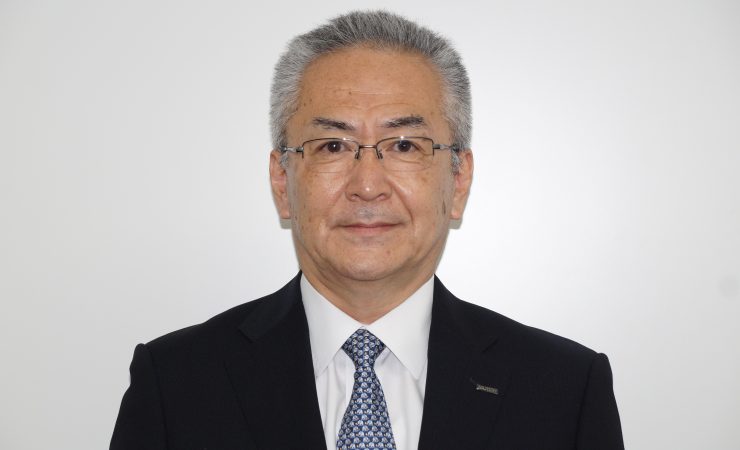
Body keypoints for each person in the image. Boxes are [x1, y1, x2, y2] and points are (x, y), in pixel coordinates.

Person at [110, 10, 624, 450]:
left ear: (458, 180)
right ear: (282, 181)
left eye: (404, 145)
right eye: (332, 146)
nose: (368, 185)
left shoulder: (564, 389)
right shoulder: (176, 383)